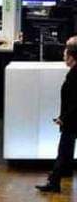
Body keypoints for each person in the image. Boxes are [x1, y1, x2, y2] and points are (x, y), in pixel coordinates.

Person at [36, 36, 77, 193]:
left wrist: (63, 118)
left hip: (71, 121)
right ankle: (57, 177)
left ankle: (54, 182)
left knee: (63, 150)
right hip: (71, 120)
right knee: (65, 150)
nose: (63, 57)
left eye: (65, 55)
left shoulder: (74, 75)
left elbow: (74, 102)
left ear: (72, 57)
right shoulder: (73, 73)